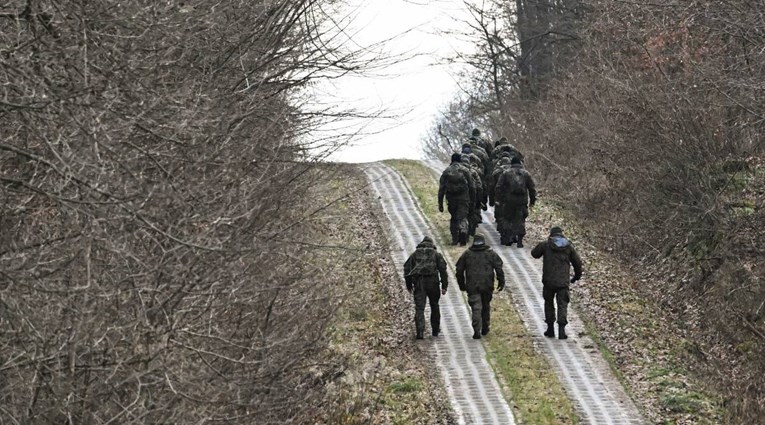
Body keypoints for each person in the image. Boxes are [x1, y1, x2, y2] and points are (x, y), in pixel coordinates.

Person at [531, 226, 583, 339]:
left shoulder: (546, 245)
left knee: (548, 303)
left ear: (551, 235)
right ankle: (561, 330)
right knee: (562, 304)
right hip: (563, 282)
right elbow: (577, 264)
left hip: (548, 281)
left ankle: (550, 329)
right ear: (562, 234)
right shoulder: (569, 247)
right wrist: (576, 277)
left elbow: (534, 254)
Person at [455, 233, 505, 339]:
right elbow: (499, 268)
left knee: (476, 308)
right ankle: (485, 327)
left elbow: (459, 270)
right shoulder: (491, 253)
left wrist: (462, 284)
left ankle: (476, 329)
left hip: (472, 286)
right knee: (486, 306)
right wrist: (501, 281)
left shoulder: (467, 254)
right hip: (487, 285)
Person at [404, 236, 449, 339]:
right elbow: (443, 270)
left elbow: (407, 268)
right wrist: (444, 285)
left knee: (420, 308)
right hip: (433, 283)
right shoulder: (436, 254)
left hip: (419, 283)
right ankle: (435, 330)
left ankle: (420, 332)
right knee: (434, 306)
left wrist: (409, 284)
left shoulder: (415, 254)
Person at [494, 156, 536, 247]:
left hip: (509, 200)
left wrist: (498, 199)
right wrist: (532, 201)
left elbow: (498, 187)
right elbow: (532, 188)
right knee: (520, 219)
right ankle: (520, 241)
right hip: (522, 201)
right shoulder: (526, 174)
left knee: (508, 219)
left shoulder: (506, 173)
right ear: (520, 164)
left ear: (511, 164)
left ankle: (509, 237)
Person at [439, 153, 476, 245]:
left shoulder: (447, 171)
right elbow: (472, 186)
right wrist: (473, 199)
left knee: (454, 218)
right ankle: (463, 230)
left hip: (451, 198)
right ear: (460, 160)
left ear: (452, 160)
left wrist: (440, 203)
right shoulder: (465, 170)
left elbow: (442, 188)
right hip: (463, 198)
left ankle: (455, 239)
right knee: (462, 217)